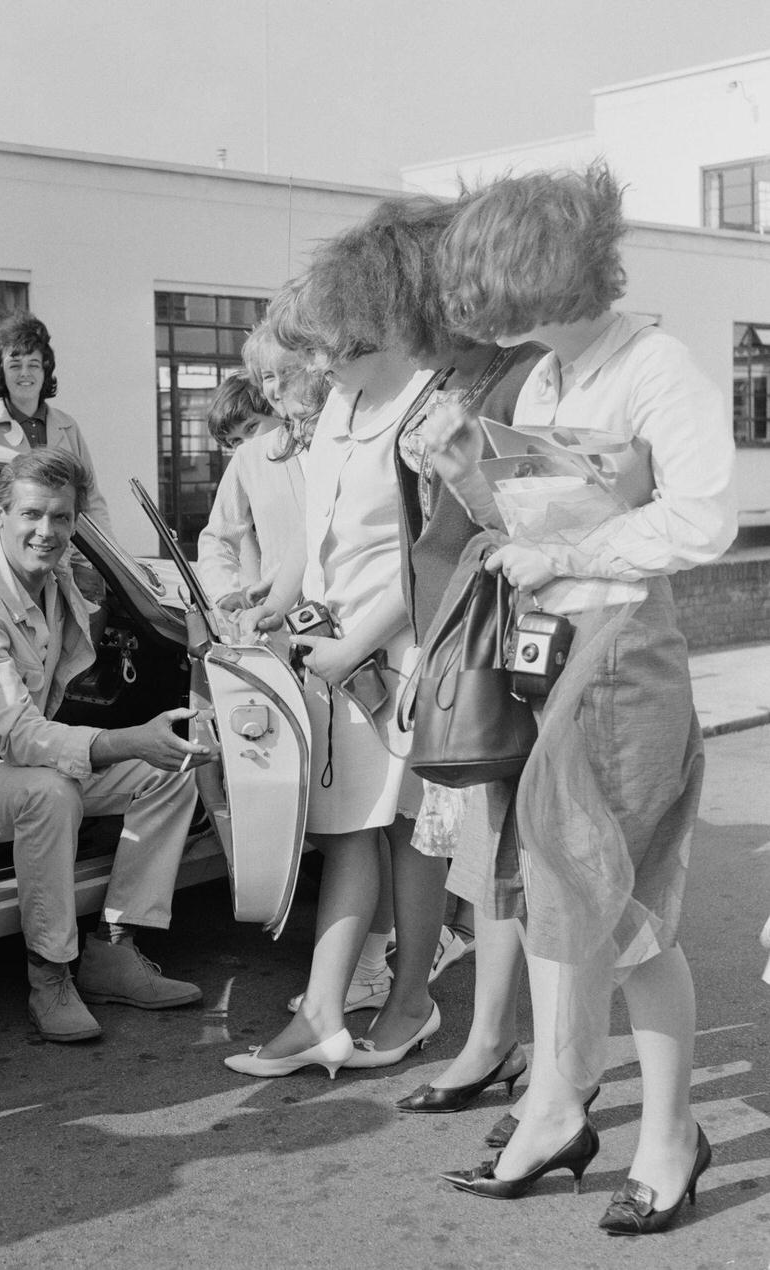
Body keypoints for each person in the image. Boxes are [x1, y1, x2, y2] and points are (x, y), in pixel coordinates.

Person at [425, 165, 735, 1234]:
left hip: (623, 648)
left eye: (499, 294)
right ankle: (558, 1103)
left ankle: (666, 1133)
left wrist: (574, 547)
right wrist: (469, 477)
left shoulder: (657, 366)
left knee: (630, 907)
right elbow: (526, 531)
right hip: (555, 647)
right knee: (553, 891)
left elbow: (704, 522)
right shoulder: (546, 378)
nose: (490, 320)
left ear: (545, 274)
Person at [299, 194, 545, 1120]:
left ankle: (504, 1043)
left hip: (501, 638)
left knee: (511, 855)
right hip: (450, 635)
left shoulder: (512, 378)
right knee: (486, 857)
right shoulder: (454, 381)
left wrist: (468, 479)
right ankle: (494, 1038)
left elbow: (534, 518)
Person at [0, 448, 209, 1043]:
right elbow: (18, 737)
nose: (47, 533)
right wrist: (127, 739)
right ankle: (50, 975)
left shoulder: (56, 569)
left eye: (63, 518)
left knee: (170, 769)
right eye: (32, 515)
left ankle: (115, 949)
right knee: (49, 792)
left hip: (27, 751)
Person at [226, 255, 440, 1078]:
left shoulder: (425, 404)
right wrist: (276, 602)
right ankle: (323, 1012)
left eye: (317, 348)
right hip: (335, 650)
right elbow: (316, 539)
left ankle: (408, 1002)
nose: (311, 369)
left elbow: (432, 553)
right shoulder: (347, 404)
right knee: (349, 826)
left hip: (399, 651)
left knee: (410, 828)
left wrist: (356, 646)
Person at [0, 311, 113, 535]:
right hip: (9, 554)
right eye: (15, 365)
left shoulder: (67, 426)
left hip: (67, 556)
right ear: (0, 372)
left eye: (34, 364)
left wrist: (109, 561)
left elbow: (91, 500)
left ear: (45, 369)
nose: (25, 373)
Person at [195, 371, 294, 618]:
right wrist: (226, 591)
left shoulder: (313, 448)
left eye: (252, 427)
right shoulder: (245, 462)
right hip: (277, 609)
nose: (247, 444)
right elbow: (216, 537)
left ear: (278, 408)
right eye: (235, 441)